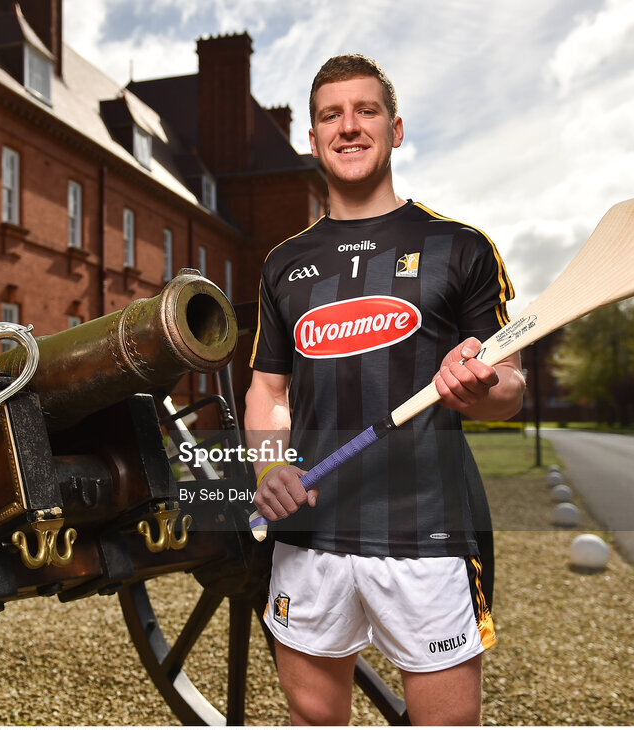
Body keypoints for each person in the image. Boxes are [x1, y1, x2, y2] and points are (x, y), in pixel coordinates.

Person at [244, 54, 525, 726]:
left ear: (394, 129)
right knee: (311, 718)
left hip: (425, 534)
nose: (348, 127)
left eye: (365, 111)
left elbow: (510, 387)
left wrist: (477, 387)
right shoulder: (284, 263)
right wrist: (269, 464)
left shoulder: (459, 247)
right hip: (309, 535)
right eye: (330, 115)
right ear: (312, 140)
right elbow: (267, 389)